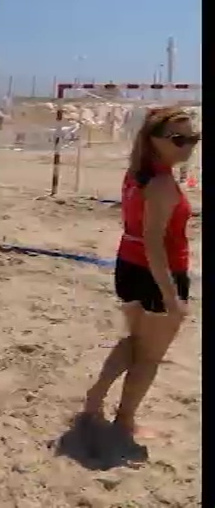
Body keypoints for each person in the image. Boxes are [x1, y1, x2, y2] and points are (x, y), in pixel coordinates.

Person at [82, 107, 200, 442]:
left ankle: (95, 398)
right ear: (155, 140)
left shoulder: (137, 172)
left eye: (194, 138)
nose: (189, 145)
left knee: (135, 341)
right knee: (150, 356)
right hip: (156, 270)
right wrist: (171, 296)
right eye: (179, 139)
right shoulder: (161, 183)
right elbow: (155, 243)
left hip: (128, 264)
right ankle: (126, 421)